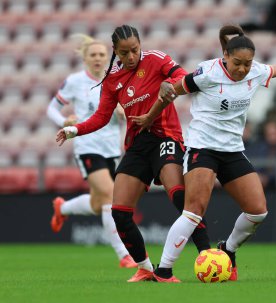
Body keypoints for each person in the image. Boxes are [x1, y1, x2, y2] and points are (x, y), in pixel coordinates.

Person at [132, 24, 276, 282]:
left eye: (247, 63)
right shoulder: (206, 73)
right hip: (203, 149)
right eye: (237, 63)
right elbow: (171, 92)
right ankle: (163, 270)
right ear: (225, 58)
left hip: (232, 151)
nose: (243, 69)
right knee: (194, 210)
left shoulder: (255, 72)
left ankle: (227, 250)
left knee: (258, 211)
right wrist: (150, 115)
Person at [55, 25, 211, 282]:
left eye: (135, 50)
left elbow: (183, 76)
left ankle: (207, 253)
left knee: (179, 196)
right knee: (119, 212)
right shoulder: (112, 79)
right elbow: (102, 117)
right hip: (138, 145)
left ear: (141, 45)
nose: (131, 57)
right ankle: (145, 268)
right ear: (115, 51)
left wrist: (169, 84)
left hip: (166, 137)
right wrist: (75, 129)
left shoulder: (156, 59)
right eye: (124, 52)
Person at [47, 34, 137, 269]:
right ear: (85, 59)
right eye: (93, 55)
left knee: (99, 204)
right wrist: (64, 120)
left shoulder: (118, 79)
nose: (98, 59)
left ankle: (63, 208)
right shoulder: (75, 81)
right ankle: (123, 255)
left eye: (102, 55)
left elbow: (131, 109)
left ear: (109, 57)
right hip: (87, 147)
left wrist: (123, 111)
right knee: (110, 195)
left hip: (111, 148)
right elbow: (51, 108)